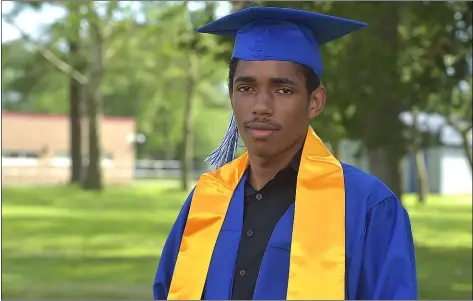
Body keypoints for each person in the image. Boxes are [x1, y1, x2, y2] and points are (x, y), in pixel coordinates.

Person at [153, 6, 418, 300]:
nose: (261, 105)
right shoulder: (207, 197)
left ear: (315, 102)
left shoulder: (368, 207)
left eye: (283, 90)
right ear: (231, 97)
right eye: (246, 87)